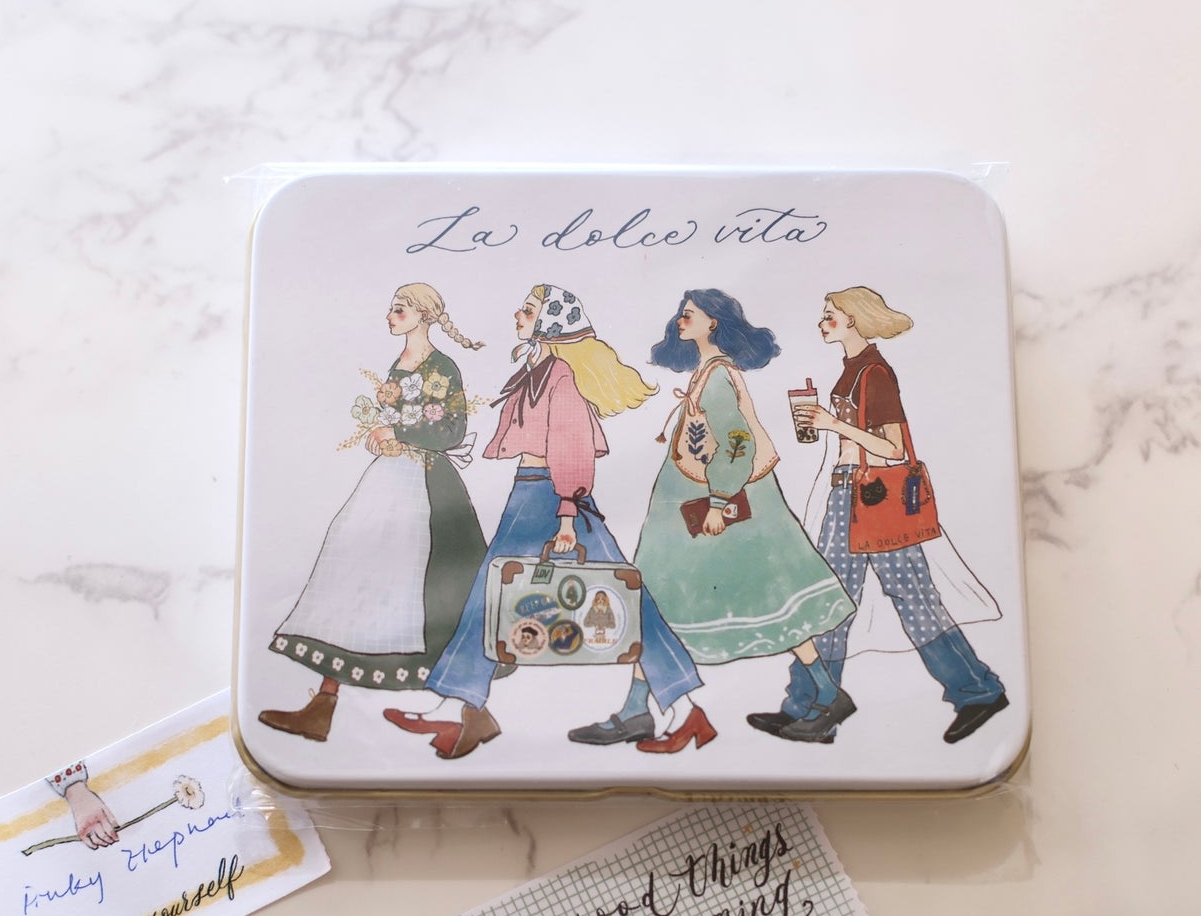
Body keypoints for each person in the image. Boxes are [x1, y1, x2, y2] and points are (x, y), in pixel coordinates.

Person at [385, 284, 709, 760]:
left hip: (556, 497)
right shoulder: (539, 368)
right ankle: (465, 707)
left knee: (624, 601)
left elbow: (572, 446)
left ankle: (684, 710)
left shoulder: (561, 376)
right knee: (491, 595)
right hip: (531, 491)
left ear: (550, 322)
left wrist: (567, 516)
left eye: (528, 310)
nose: (517, 315)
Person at [579, 290, 854, 746]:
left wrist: (718, 500)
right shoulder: (708, 372)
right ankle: (825, 692)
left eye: (690, 314)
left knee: (669, 600)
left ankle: (637, 711)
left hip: (708, 512)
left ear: (713, 323)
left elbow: (739, 444)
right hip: (694, 509)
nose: (680, 319)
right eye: (681, 313)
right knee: (729, 598)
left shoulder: (718, 376)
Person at [748, 286, 1008, 743]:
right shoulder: (853, 369)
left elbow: (894, 449)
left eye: (829, 315)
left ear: (853, 319)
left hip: (875, 499)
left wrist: (833, 424)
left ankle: (978, 692)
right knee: (830, 602)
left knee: (913, 598)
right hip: (846, 495)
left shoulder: (875, 373)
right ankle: (811, 706)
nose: (822, 322)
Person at [259, 283, 488, 743]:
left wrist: (396, 431)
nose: (389, 316)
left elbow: (452, 431)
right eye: (391, 309)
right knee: (351, 555)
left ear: (423, 315)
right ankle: (324, 703)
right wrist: (385, 435)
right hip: (391, 476)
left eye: (399, 309)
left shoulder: (443, 366)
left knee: (439, 586)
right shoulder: (398, 364)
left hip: (427, 485)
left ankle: (473, 711)